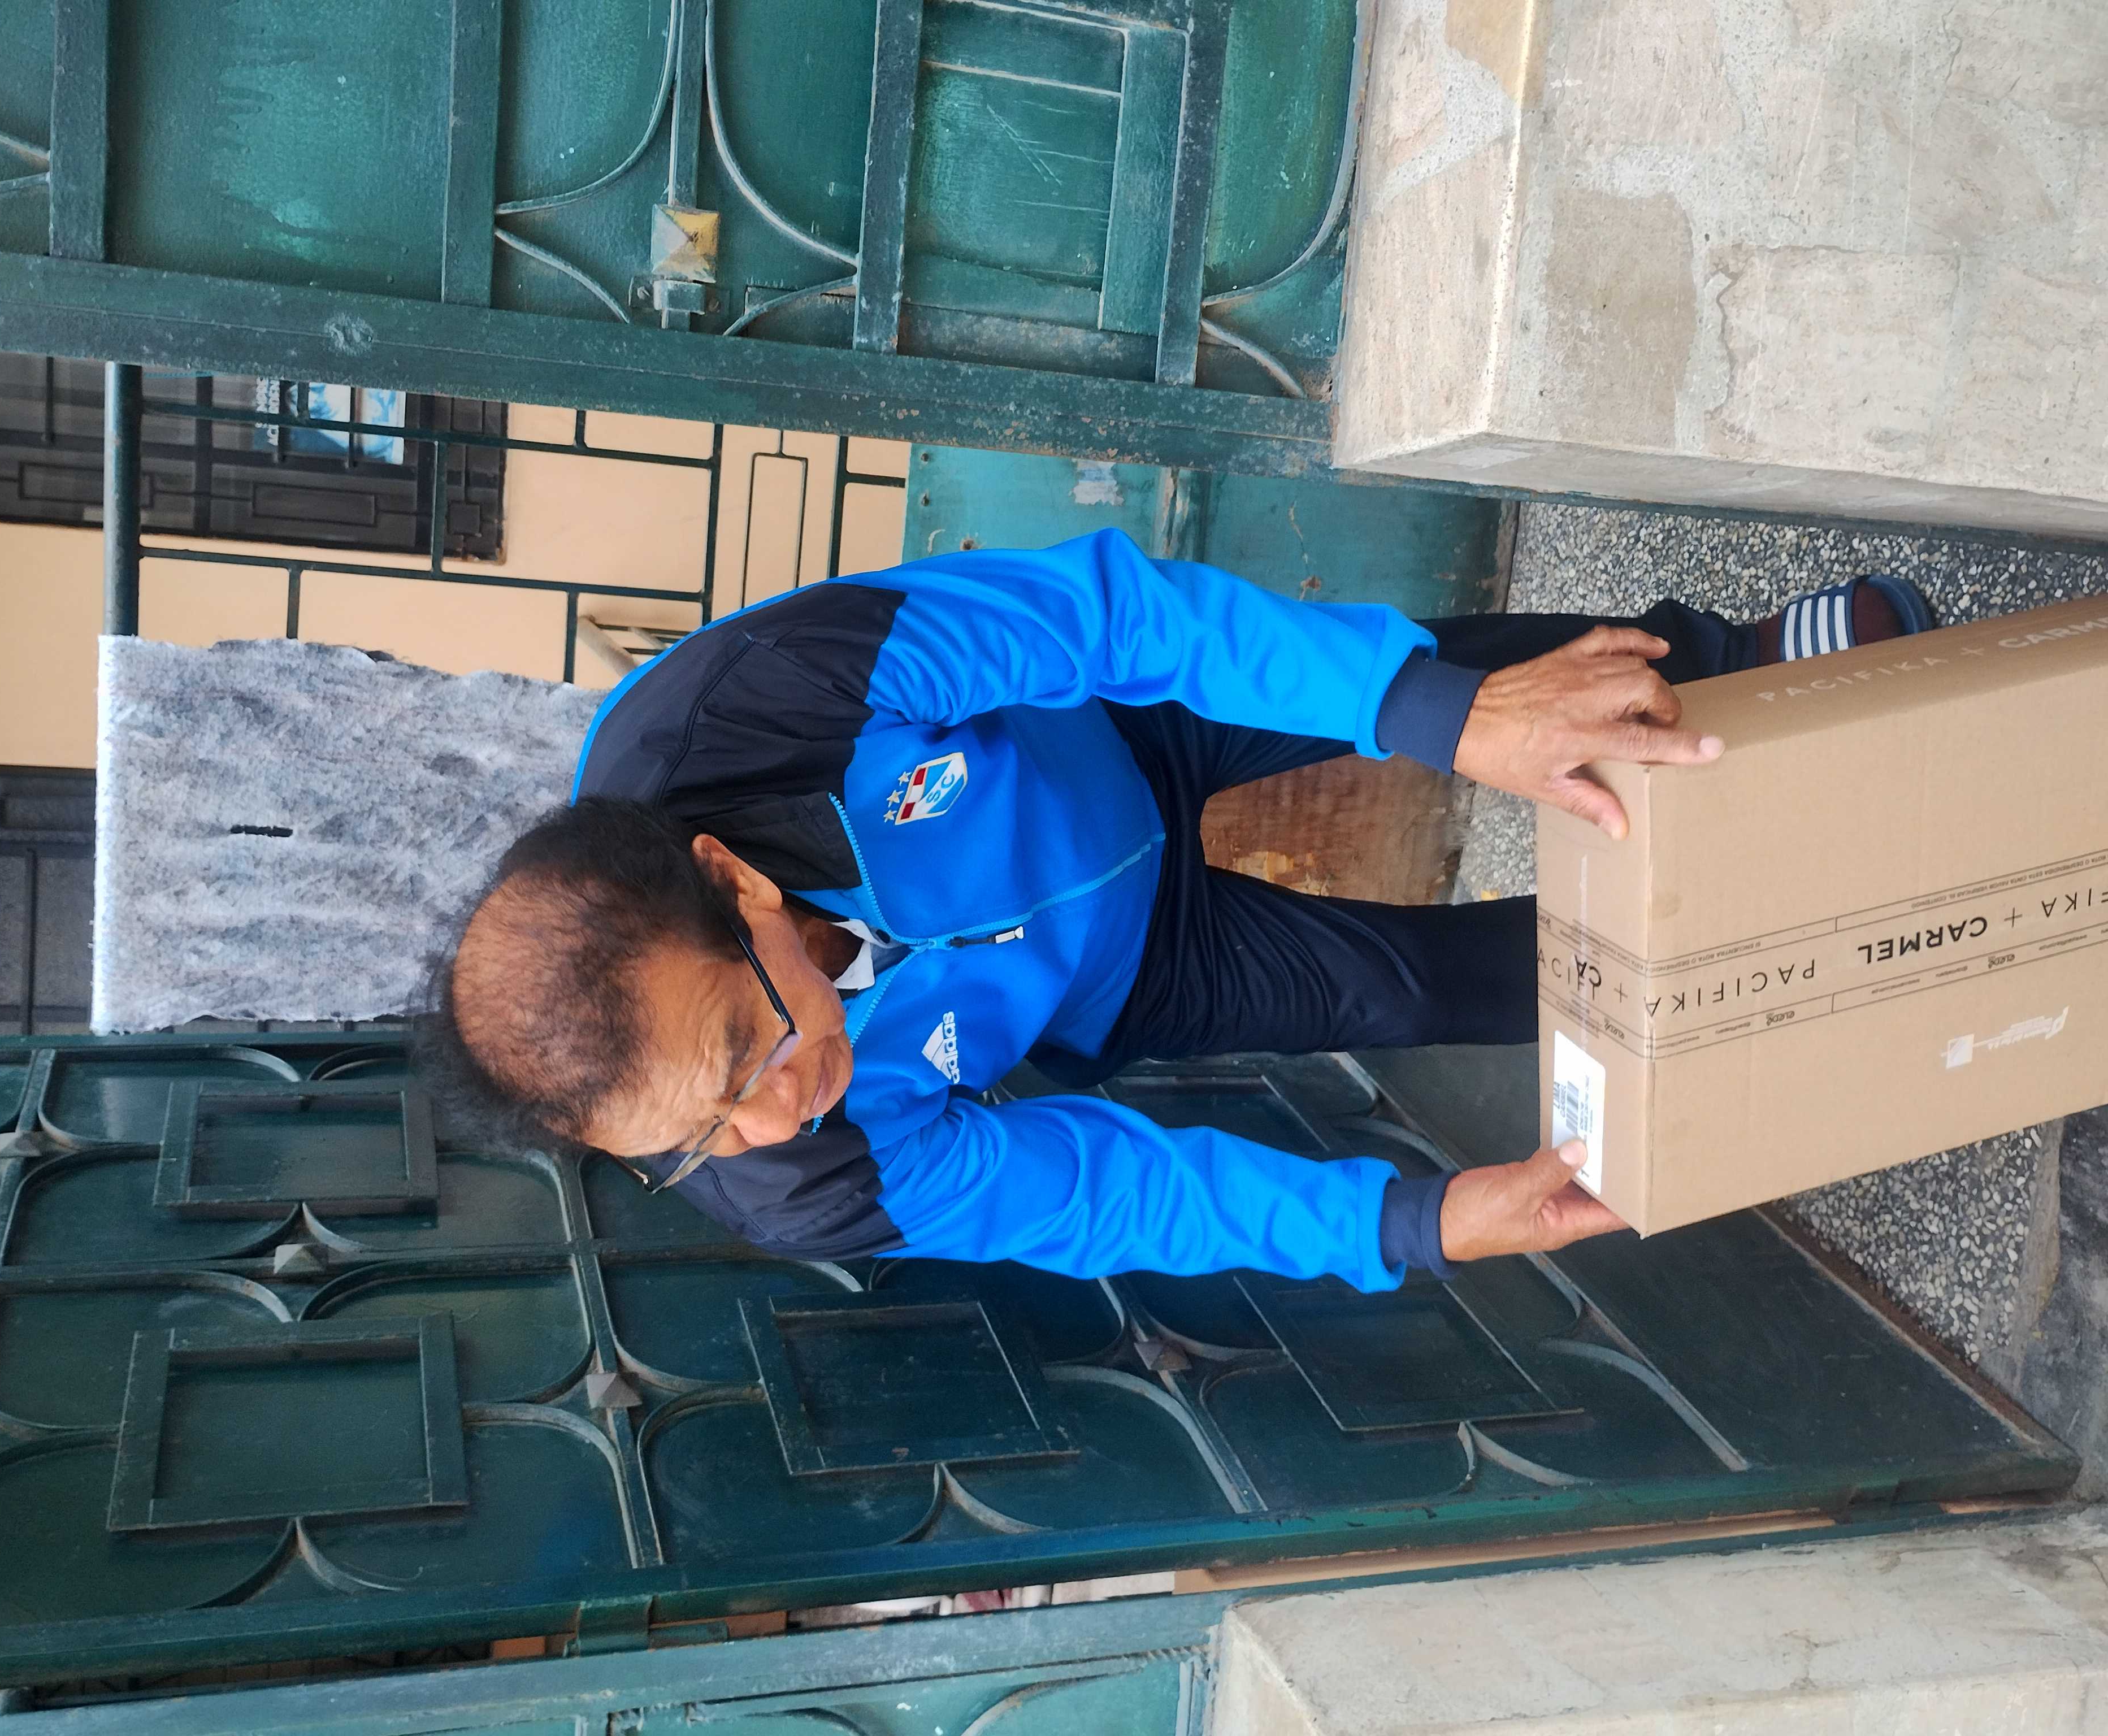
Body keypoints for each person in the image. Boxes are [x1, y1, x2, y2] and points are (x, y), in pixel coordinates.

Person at [418, 531, 1932, 1289]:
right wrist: (1411, 1221)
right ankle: (1752, 941)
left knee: (1423, 682)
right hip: (1118, 978)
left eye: (744, 1051)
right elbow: (1103, 1194)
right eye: (702, 1138)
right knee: (1407, 991)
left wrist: (1437, 717)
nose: (777, 1112)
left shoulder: (745, 711)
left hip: (1104, 724)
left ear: (734, 884)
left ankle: (1733, 665)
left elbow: (1106, 615)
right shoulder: (796, 1184)